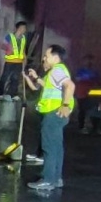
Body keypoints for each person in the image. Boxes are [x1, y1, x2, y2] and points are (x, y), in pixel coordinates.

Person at [23, 44, 75, 191]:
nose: (44, 58)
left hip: (55, 113)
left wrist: (64, 104)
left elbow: (70, 86)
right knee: (57, 147)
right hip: (57, 113)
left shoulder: (57, 70)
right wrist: (35, 78)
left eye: (47, 55)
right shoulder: (57, 71)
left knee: (49, 147)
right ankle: (56, 178)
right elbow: (47, 86)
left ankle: (47, 180)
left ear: (55, 57)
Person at [0, 22, 28, 100]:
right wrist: (8, 48)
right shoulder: (10, 36)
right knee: (5, 77)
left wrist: (25, 58)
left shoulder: (23, 38)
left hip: (19, 62)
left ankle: (13, 94)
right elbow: (3, 46)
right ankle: (0, 93)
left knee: (15, 78)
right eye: (23, 28)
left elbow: (23, 49)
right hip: (10, 61)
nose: (25, 30)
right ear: (19, 28)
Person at [72, 55, 101, 133]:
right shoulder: (80, 71)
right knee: (82, 111)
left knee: (95, 110)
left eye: (91, 60)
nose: (89, 62)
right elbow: (77, 78)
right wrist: (89, 78)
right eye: (87, 60)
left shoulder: (95, 71)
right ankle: (81, 127)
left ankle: (96, 128)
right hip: (81, 93)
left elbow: (98, 81)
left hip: (93, 94)